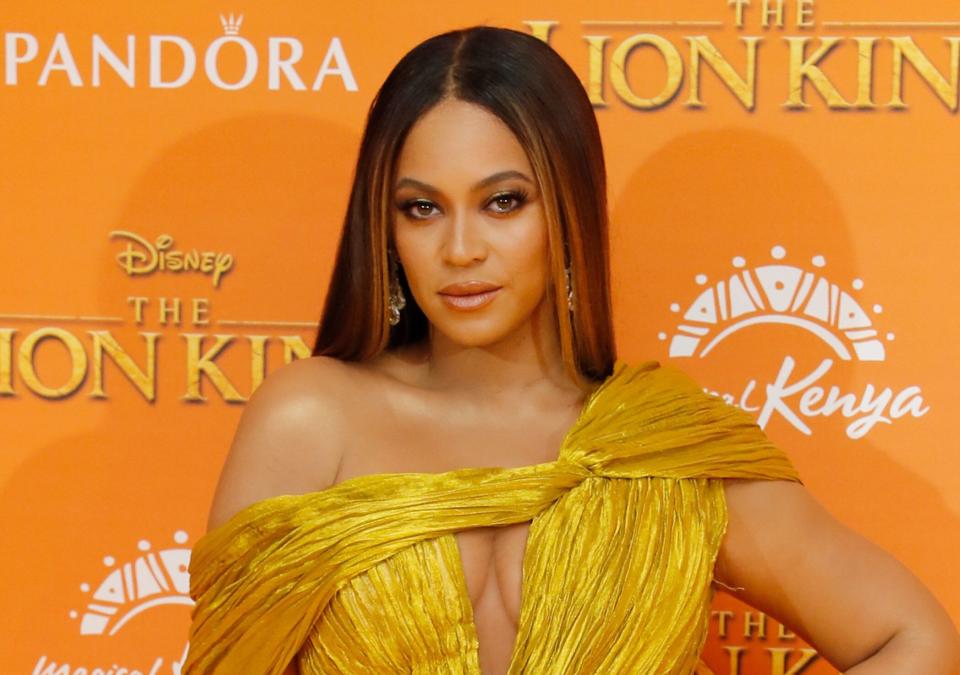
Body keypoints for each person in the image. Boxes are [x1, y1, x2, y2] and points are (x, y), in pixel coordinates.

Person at [183, 25, 960, 675]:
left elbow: (914, 640)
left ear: (569, 204)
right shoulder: (310, 420)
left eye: (503, 202)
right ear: (385, 229)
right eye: (421, 209)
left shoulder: (661, 448)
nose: (460, 248)